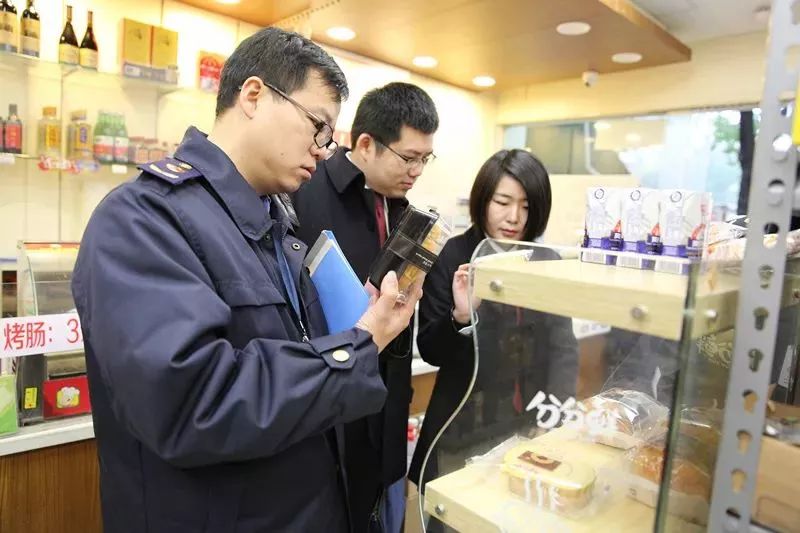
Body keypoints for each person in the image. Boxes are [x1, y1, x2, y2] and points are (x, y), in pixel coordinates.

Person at [71, 27, 422, 533]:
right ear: (254, 95)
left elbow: (287, 361)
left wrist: (357, 323)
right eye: (317, 126)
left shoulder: (276, 227)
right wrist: (360, 346)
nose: (324, 150)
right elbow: (193, 403)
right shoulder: (144, 219)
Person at [292, 82, 440, 533]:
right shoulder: (305, 192)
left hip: (388, 406)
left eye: (425, 159)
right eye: (408, 157)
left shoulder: (403, 211)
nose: (416, 171)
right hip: (327, 410)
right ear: (365, 143)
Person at [407, 149, 579, 530]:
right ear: (484, 200)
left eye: (525, 205)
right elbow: (431, 349)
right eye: (503, 202)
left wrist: (554, 417)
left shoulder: (544, 258)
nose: (514, 217)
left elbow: (563, 347)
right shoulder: (453, 254)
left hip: (527, 426)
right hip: (462, 429)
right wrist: (462, 316)